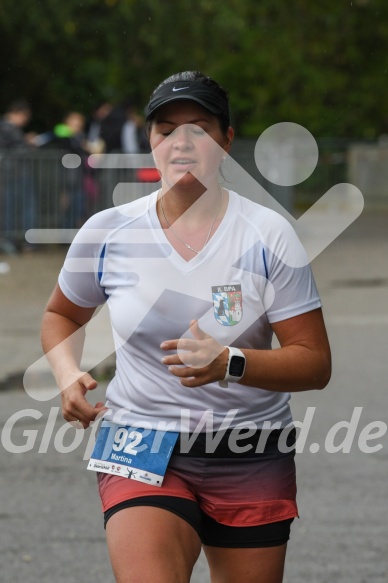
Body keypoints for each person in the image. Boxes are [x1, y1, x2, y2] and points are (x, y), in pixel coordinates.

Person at [41, 71, 331, 583]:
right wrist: (67, 374)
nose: (181, 142)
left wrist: (230, 364)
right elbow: (62, 314)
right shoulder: (109, 231)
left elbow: (313, 362)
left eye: (198, 128)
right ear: (150, 142)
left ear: (226, 140)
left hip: (249, 448)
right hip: (140, 442)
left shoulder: (268, 234)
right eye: (166, 129)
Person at [0, 100, 37, 252]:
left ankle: (13, 240)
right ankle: (23, 241)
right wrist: (29, 144)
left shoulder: (7, 128)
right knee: (22, 207)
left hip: (11, 174)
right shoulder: (8, 128)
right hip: (15, 173)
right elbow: (17, 150)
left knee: (11, 208)